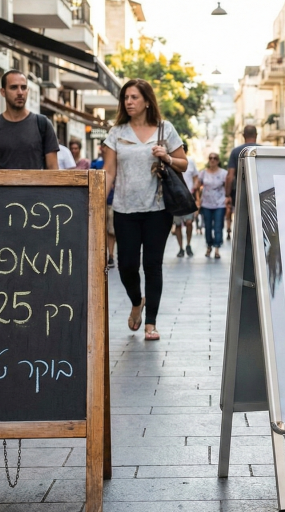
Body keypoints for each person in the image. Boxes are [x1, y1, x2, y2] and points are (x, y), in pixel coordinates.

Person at [103, 78, 187, 341]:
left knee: (152, 265)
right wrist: (95, 204)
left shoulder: (165, 129)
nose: (128, 101)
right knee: (127, 264)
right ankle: (136, 301)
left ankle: (151, 323)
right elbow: (108, 172)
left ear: (147, 101)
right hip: (125, 209)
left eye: (134, 97)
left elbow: (183, 164)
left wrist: (167, 157)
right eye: (126, 97)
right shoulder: (116, 132)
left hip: (158, 209)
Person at [0, 70, 59, 170]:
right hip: (1, 185)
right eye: (14, 87)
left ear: (27, 91)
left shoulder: (42, 124)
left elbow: (53, 169)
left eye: (23, 87)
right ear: (3, 92)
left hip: (34, 185)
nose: (20, 92)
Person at [225, 125, 259, 239]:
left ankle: (243, 243)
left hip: (241, 193)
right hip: (260, 191)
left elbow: (230, 176)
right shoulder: (263, 150)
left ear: (243, 135)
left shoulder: (236, 152)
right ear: (256, 135)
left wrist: (227, 195)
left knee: (242, 221)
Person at [199, 152, 228, 259]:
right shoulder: (203, 173)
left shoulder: (224, 173)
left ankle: (217, 249)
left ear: (218, 160)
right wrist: (198, 200)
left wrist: (228, 198)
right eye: (210, 158)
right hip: (206, 204)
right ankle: (209, 246)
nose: (212, 160)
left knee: (218, 227)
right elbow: (198, 186)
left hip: (220, 204)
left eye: (215, 158)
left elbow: (228, 186)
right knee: (207, 227)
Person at [173, 143, 198, 257]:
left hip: (188, 196)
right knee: (178, 224)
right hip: (176, 198)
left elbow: (196, 178)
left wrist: (194, 189)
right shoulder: (171, 161)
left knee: (189, 222)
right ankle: (180, 248)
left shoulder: (191, 162)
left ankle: (188, 244)